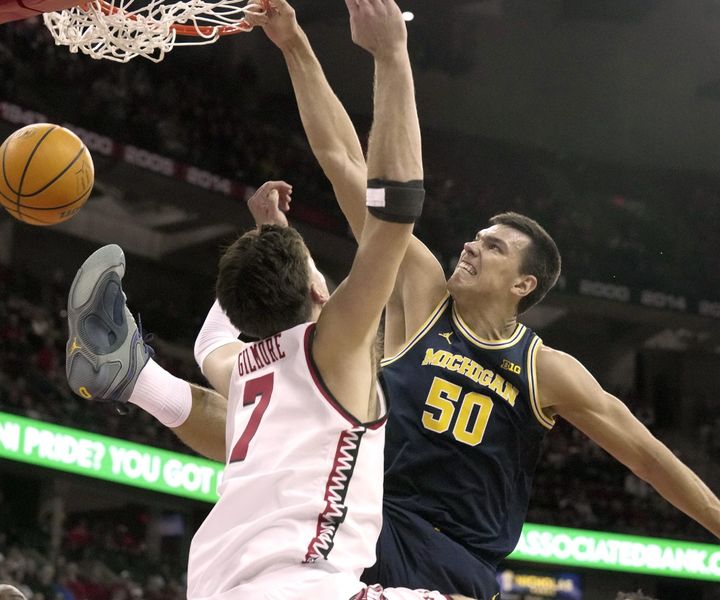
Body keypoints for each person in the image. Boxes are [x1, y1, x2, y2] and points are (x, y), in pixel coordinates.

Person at [67, 3, 720, 600]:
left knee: (266, 393)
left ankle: (141, 379)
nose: (472, 246)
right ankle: (139, 378)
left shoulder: (547, 370)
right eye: (476, 235)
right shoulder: (420, 291)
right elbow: (344, 161)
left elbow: (645, 454)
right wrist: (294, 44)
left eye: (493, 247)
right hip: (367, 516)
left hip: (455, 559)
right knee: (282, 409)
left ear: (524, 286)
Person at [66, 1, 472, 599]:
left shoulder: (246, 365)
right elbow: (394, 210)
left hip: (224, 575)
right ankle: (136, 377)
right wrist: (392, 55)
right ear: (316, 290)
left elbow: (212, 343)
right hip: (298, 584)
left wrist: (272, 238)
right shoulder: (337, 343)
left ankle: (137, 377)